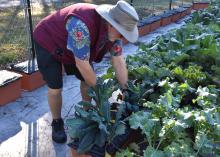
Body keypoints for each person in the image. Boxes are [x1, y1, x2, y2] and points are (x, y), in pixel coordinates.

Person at [33, 0, 139, 144]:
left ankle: (87, 113)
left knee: (86, 82)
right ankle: (57, 122)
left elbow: (118, 61)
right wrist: (102, 94)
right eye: (122, 32)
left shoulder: (115, 35)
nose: (123, 37)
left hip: (75, 47)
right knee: (55, 87)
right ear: (110, 23)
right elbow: (82, 64)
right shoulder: (81, 26)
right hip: (49, 40)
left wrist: (125, 89)